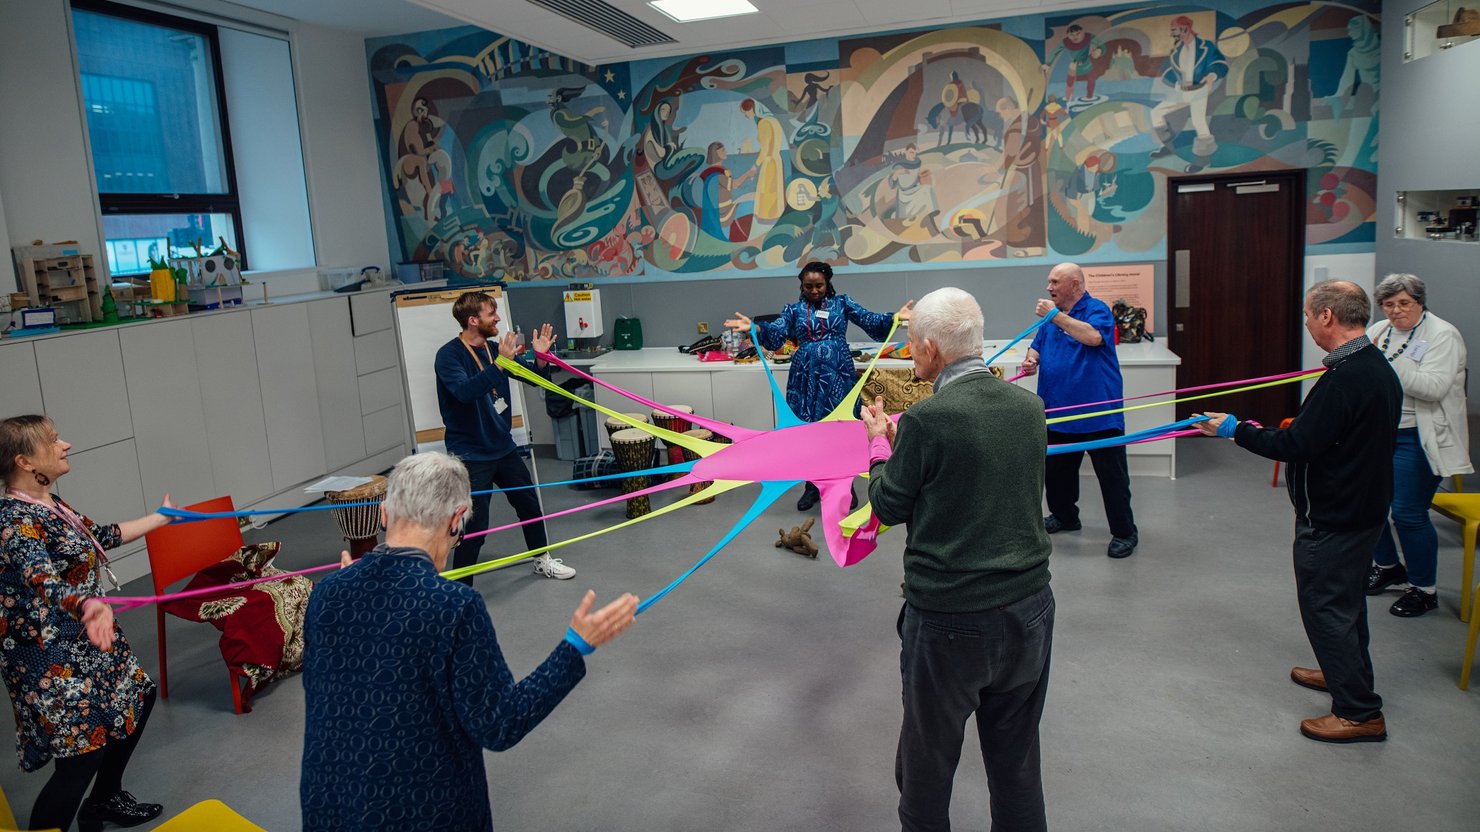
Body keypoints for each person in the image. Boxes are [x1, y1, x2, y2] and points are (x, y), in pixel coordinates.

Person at [301, 452, 638, 830]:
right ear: (457, 520)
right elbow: (500, 723)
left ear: (383, 514)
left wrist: (344, 586)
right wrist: (575, 647)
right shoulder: (453, 606)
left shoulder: (326, 593)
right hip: (419, 815)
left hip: (329, 810)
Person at [860, 287, 1054, 832]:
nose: (909, 354)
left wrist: (881, 445)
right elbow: (980, 473)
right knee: (1017, 765)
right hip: (1031, 610)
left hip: (950, 620)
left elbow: (887, 505)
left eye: (911, 346)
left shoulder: (926, 420)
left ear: (931, 349)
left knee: (927, 766)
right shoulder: (1029, 407)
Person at [1197, 280, 1400, 743]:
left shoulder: (1349, 377)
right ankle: (1342, 673)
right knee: (1345, 605)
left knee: (1326, 607)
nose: (1306, 323)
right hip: (1359, 509)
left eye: (1309, 315)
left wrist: (1236, 429)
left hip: (1336, 517)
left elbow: (1297, 444)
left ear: (1327, 316)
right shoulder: (1370, 366)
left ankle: (1359, 712)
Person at [0, 415, 173, 831]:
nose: (67, 445)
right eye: (55, 440)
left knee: (138, 697)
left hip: (85, 636)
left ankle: (105, 799)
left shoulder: (48, 503)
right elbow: (43, 581)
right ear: (25, 461)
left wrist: (163, 517)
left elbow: (100, 535)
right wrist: (89, 606)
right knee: (81, 756)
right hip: (47, 652)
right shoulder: (12, 520)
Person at [725, 262, 912, 510]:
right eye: (808, 286)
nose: (814, 290)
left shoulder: (842, 303)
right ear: (801, 286)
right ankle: (812, 486)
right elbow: (777, 331)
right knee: (809, 432)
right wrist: (756, 328)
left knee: (841, 429)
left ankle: (845, 485)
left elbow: (870, 319)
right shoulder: (793, 310)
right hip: (806, 378)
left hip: (839, 374)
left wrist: (895, 318)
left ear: (828, 284)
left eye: (819, 285)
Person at [434, 291, 575, 582]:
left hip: (503, 448)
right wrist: (500, 364)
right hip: (471, 454)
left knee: (529, 506)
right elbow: (465, 392)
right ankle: (460, 585)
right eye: (490, 313)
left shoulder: (493, 348)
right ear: (473, 320)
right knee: (475, 525)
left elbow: (534, 378)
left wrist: (541, 359)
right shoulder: (449, 356)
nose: (498, 317)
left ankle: (542, 558)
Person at [1362, 274, 1472, 617]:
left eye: (1404, 303)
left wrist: (1386, 368)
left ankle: (1424, 589)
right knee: (1368, 505)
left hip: (1417, 436)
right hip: (1381, 432)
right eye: (1389, 305)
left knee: (1408, 514)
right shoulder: (1379, 331)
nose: (1396, 311)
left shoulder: (1442, 335)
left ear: (1420, 302)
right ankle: (1389, 567)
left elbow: (1434, 387)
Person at [1021, 262, 1138, 558]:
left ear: (1074, 285)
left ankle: (1125, 533)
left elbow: (1093, 337)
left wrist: (1055, 315)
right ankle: (1065, 517)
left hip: (1099, 415)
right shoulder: (1052, 319)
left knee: (1112, 479)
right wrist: (1031, 360)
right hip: (1058, 412)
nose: (1049, 287)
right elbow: (1037, 345)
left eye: (1055, 282)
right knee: (1057, 475)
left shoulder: (1096, 309)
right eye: (1049, 281)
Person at [1149, 16, 1228, 173]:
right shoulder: (1176, 50)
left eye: (1174, 29)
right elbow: (1169, 70)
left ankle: (1203, 160)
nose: (1172, 33)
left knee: (1199, 121)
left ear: (1185, 28)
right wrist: (1175, 82)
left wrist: (1212, 76)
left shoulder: (1206, 47)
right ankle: (1168, 146)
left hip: (1200, 89)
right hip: (1183, 92)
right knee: (1156, 112)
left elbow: (1220, 63)